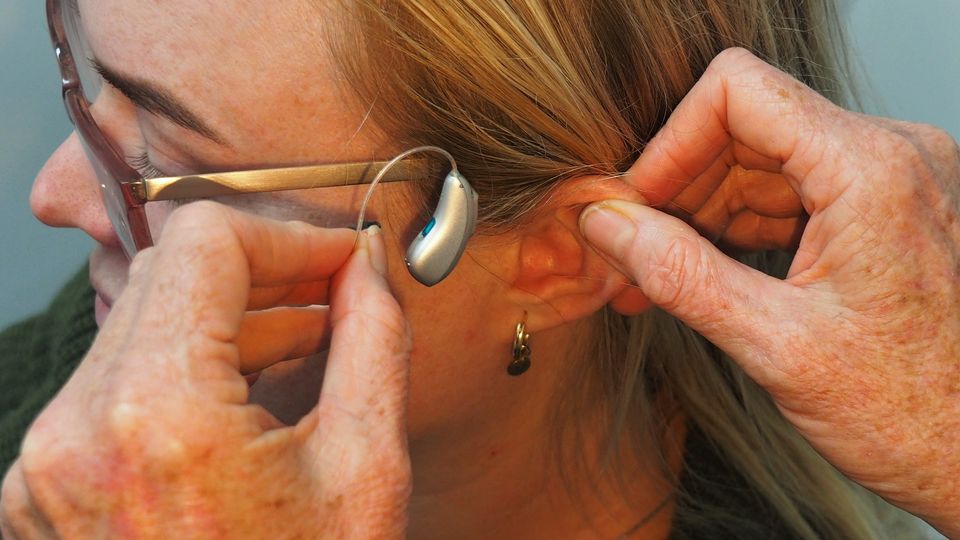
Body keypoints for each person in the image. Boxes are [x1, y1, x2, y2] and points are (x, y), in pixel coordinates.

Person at [1, 0, 958, 538]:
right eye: (85, 82)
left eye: (164, 160)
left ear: (564, 246)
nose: (52, 195)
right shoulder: (62, 416)